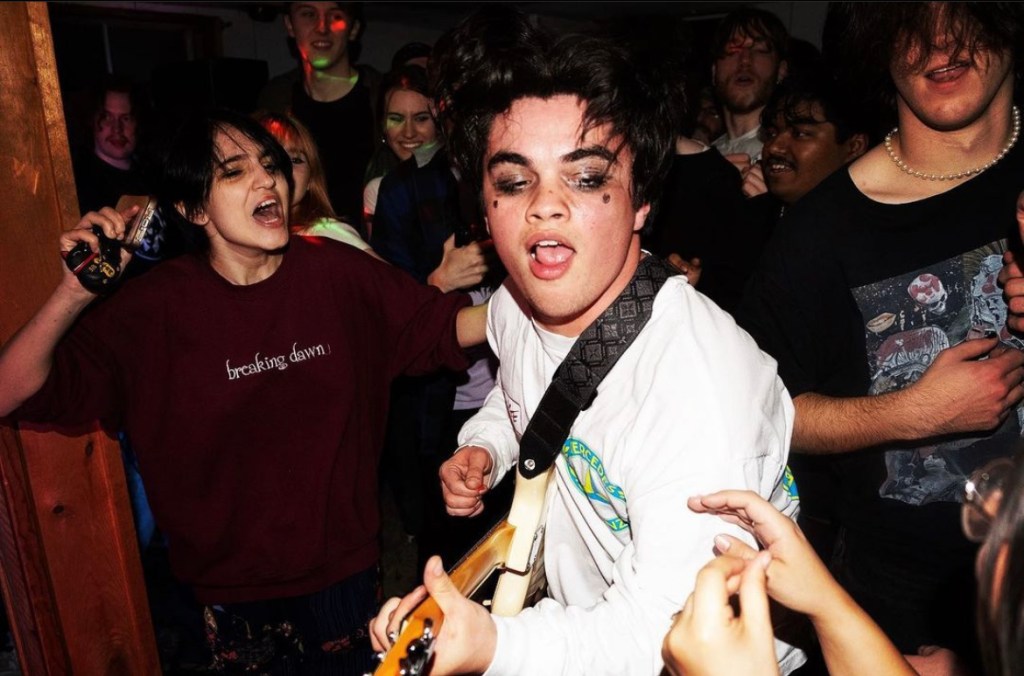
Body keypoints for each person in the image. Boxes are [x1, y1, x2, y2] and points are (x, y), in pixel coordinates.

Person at [368, 12, 803, 675]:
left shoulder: (700, 391)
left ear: (641, 201)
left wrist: (493, 645)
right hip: (577, 624)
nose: (544, 205)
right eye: (514, 181)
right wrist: (486, 446)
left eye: (587, 177)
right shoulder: (514, 304)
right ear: (483, 207)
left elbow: (660, 638)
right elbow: (523, 388)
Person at [0, 109, 486, 674]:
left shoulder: (337, 272)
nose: (266, 180)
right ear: (193, 208)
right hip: (228, 597)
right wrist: (75, 292)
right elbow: (11, 388)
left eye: (270, 165)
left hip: (343, 578)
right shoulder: (152, 311)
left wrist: (547, 301)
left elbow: (443, 326)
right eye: (234, 171)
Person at [737, 3, 1024, 670]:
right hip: (899, 615)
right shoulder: (819, 232)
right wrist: (913, 412)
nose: (940, 41)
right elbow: (763, 415)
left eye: (964, 12)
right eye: (909, 19)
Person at [257, 1, 380, 227]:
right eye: (308, 14)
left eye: (335, 16)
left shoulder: (382, 97)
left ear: (354, 28)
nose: (322, 27)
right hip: (297, 242)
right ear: (289, 24)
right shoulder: (274, 101)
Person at [254, 110, 377, 257]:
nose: (285, 168)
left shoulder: (326, 233)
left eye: (295, 160)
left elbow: (384, 272)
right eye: (270, 160)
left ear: (310, 180)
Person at [362, 65, 440, 236]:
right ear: (383, 126)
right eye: (396, 119)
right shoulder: (378, 190)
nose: (409, 133)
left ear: (439, 121)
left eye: (421, 118)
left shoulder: (464, 182)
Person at [710, 8, 789, 173]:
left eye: (760, 50)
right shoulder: (706, 158)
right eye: (732, 50)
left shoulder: (791, 152)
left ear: (781, 70)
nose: (745, 60)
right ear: (714, 71)